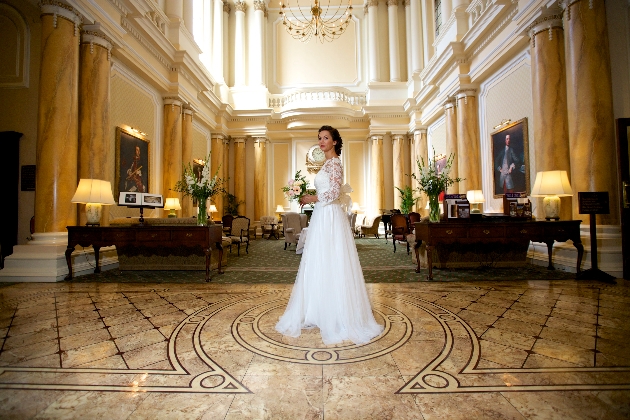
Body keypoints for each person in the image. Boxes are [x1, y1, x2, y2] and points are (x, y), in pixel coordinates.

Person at [275, 126, 384, 345]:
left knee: (333, 260)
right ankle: (320, 309)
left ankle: (337, 313)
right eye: (319, 138)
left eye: (326, 138)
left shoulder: (334, 163)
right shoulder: (326, 163)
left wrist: (310, 198)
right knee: (320, 260)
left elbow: (334, 193)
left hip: (330, 217)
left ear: (335, 142)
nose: (321, 141)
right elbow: (329, 191)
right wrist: (310, 198)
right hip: (323, 216)